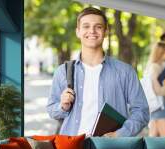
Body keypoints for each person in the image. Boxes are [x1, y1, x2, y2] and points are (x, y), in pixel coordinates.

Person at [47, 7, 149, 137]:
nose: (92, 31)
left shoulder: (125, 72)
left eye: (98, 27)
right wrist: (62, 106)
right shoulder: (63, 71)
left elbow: (142, 111)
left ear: (106, 31)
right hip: (72, 148)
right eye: (86, 26)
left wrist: (120, 134)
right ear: (78, 32)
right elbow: (52, 110)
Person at [142, 42, 165, 137]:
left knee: (153, 139)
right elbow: (156, 89)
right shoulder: (155, 67)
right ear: (161, 53)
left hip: (157, 106)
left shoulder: (157, 66)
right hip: (160, 106)